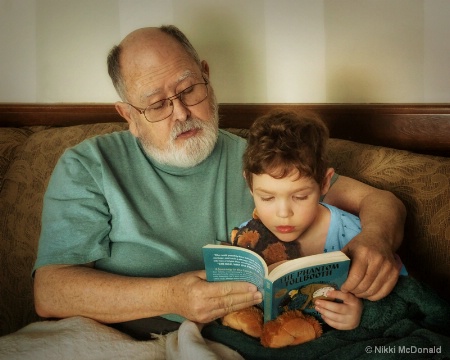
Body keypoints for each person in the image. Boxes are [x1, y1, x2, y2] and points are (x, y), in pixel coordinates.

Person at [33, 25, 406, 336]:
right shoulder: (88, 164)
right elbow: (50, 291)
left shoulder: (261, 161)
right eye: (157, 104)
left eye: (189, 89)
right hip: (112, 338)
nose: (181, 112)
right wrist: (171, 296)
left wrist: (375, 238)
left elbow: (382, 202)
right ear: (128, 114)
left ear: (207, 78)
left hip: (232, 339)